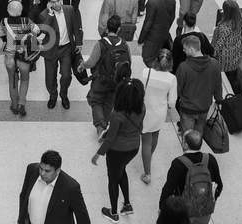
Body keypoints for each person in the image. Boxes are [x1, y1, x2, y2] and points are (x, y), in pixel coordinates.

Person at [91, 78, 145, 223]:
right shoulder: (142, 108)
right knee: (121, 171)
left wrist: (98, 154)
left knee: (113, 179)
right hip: (133, 148)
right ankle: (127, 204)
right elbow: (140, 127)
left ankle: (113, 213)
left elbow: (110, 139)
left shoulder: (117, 115)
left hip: (117, 151)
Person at [80, 15, 132, 136]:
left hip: (101, 80)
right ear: (119, 29)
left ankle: (101, 127)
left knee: (95, 100)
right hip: (117, 81)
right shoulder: (124, 44)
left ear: (107, 28)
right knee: (110, 102)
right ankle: (106, 124)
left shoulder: (101, 44)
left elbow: (91, 62)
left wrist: (82, 65)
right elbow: (129, 63)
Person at [159, 129, 223, 224]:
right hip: (204, 212)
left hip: (184, 212)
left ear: (185, 144)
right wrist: (206, 200)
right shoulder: (210, 159)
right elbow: (219, 185)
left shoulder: (178, 164)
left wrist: (162, 208)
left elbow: (168, 189)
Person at [18, 150, 91, 224]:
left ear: (58, 171)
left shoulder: (71, 188)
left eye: (47, 171)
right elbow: (23, 196)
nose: (42, 173)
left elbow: (83, 219)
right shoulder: (32, 170)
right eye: (41, 168)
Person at [39, 0, 82, 110]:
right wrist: (50, 14)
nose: (57, 4)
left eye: (58, 1)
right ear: (49, 3)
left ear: (61, 0)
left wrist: (79, 42)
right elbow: (43, 31)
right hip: (50, 50)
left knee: (67, 75)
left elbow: (76, 27)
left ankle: (64, 95)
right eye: (53, 2)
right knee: (50, 78)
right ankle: (53, 96)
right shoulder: (44, 15)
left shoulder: (69, 10)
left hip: (66, 48)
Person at [140, 49, 177, 185]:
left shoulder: (146, 72)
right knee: (155, 136)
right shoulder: (172, 79)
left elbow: (139, 90)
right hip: (160, 113)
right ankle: (149, 157)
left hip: (145, 112)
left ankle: (147, 173)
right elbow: (172, 103)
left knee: (145, 141)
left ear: (156, 60)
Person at [0, 0, 41, 116]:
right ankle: (22, 104)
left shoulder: (4, 21)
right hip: (24, 55)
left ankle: (14, 104)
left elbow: (1, 34)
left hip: (9, 56)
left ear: (8, 10)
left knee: (12, 81)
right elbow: (37, 31)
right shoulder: (27, 21)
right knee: (24, 79)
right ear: (21, 10)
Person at [176, 36, 223, 135]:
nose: (183, 51)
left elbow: (178, 88)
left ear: (191, 49)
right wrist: (219, 100)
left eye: (185, 49)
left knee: (187, 137)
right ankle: (197, 148)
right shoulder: (214, 64)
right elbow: (218, 85)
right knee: (198, 134)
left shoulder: (184, 67)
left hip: (187, 108)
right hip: (204, 107)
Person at [138, 0, 176, 67]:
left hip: (152, 38)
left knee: (148, 58)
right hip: (165, 35)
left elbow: (148, 23)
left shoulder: (152, 2)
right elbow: (173, 17)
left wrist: (141, 39)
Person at [212, 0, 242, 95]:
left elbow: (219, 45)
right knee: (234, 78)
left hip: (224, 60)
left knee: (223, 79)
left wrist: (212, 55)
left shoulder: (223, 27)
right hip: (235, 56)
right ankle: (239, 96)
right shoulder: (239, 21)